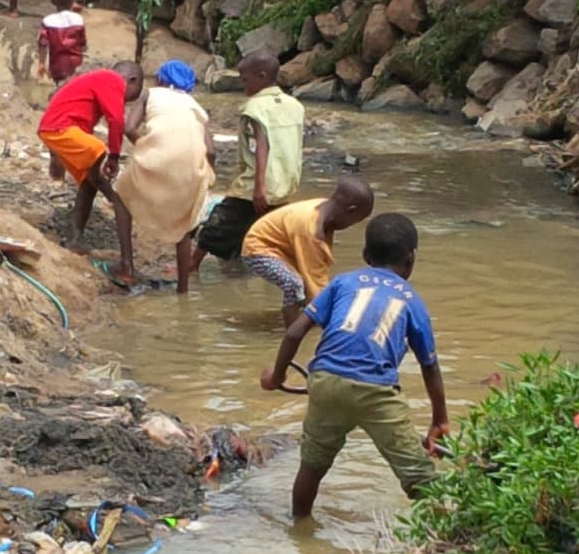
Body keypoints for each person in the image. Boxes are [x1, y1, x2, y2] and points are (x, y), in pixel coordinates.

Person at [260, 212, 450, 519]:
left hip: (325, 381)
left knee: (313, 464)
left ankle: (300, 531)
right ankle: (447, 534)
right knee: (420, 476)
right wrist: (439, 418)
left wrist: (277, 375)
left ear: (364, 255)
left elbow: (295, 331)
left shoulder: (342, 283)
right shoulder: (413, 302)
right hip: (375, 391)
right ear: (411, 259)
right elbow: (429, 366)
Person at [190, 49, 304, 271]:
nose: (243, 87)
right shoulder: (294, 106)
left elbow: (261, 146)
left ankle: (191, 266)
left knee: (220, 223)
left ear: (261, 77)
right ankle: (251, 267)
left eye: (245, 80)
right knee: (268, 231)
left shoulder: (255, 107)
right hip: (286, 182)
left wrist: (259, 187)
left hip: (256, 183)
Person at [37, 61, 144, 283]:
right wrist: (114, 155)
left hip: (62, 129)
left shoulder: (97, 80)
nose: (123, 103)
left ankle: (75, 238)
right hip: (59, 128)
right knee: (97, 150)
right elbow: (116, 120)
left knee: (88, 182)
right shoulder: (112, 79)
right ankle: (114, 198)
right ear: (131, 80)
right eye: (128, 99)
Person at [116, 60, 216, 294]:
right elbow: (210, 151)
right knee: (184, 225)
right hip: (192, 167)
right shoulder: (195, 106)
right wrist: (207, 176)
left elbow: (129, 128)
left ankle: (127, 265)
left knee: (121, 196)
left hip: (156, 157)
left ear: (160, 80)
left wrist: (145, 146)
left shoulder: (151, 94)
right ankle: (183, 289)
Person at [241, 176, 374, 327]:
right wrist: (334, 324)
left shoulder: (326, 209)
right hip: (258, 249)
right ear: (350, 211)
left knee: (307, 287)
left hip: (282, 246)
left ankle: (303, 318)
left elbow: (318, 271)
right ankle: (293, 329)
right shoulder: (311, 231)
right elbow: (315, 282)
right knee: (294, 284)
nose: (351, 226)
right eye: (355, 221)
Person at [38, 0, 87, 183]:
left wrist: (42, 63)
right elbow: (82, 43)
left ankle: (57, 169)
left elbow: (43, 43)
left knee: (60, 109)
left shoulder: (48, 20)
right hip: (76, 68)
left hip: (59, 68)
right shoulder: (78, 19)